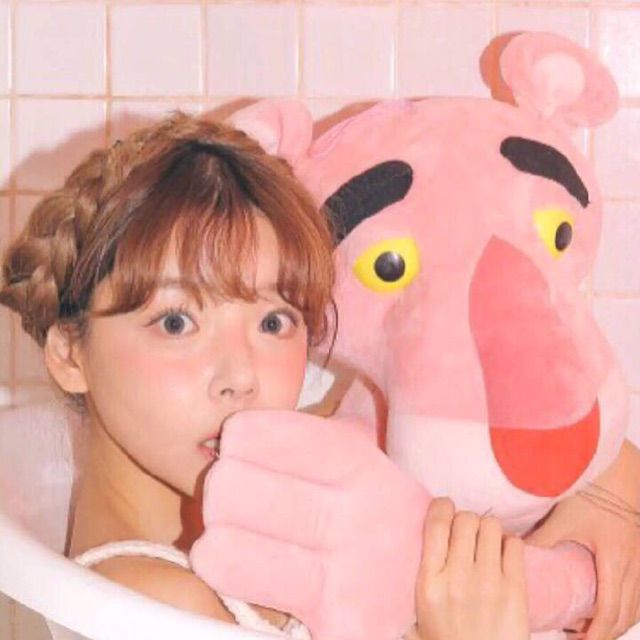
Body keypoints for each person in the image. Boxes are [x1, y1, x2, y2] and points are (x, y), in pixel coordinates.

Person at [0, 112, 529, 639]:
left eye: (273, 322)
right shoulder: (160, 608)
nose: (241, 377)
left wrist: (587, 512)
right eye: (177, 322)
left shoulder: (240, 539)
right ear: (70, 355)